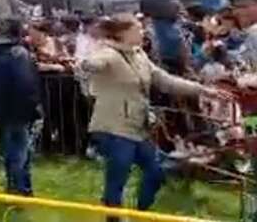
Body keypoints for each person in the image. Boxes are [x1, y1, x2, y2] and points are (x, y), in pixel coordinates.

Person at [82, 13, 231, 217]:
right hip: (113, 127)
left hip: (137, 126)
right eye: (137, 29)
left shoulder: (139, 55)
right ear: (123, 33)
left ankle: (140, 211)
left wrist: (203, 90)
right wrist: (87, 65)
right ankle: (115, 217)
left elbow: (166, 81)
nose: (143, 31)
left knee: (156, 172)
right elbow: (92, 63)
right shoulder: (108, 53)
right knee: (118, 178)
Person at [0, 18, 41, 196]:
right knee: (21, 151)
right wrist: (34, 105)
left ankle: (12, 184)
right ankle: (21, 188)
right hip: (20, 109)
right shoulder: (19, 54)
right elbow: (26, 83)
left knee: (9, 149)